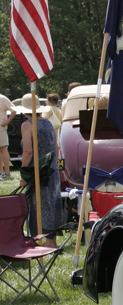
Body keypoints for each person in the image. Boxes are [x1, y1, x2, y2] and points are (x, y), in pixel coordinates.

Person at [18, 94, 61, 248]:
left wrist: (24, 174)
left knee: (39, 206)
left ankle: (44, 242)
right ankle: (52, 241)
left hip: (38, 171)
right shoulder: (49, 123)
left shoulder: (27, 125)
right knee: (52, 205)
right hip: (51, 168)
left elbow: (28, 152)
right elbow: (56, 148)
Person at [0, 92, 13, 180]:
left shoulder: (2, 98)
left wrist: (7, 121)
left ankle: (7, 172)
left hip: (0, 127)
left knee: (3, 149)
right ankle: (1, 172)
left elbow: (14, 110)